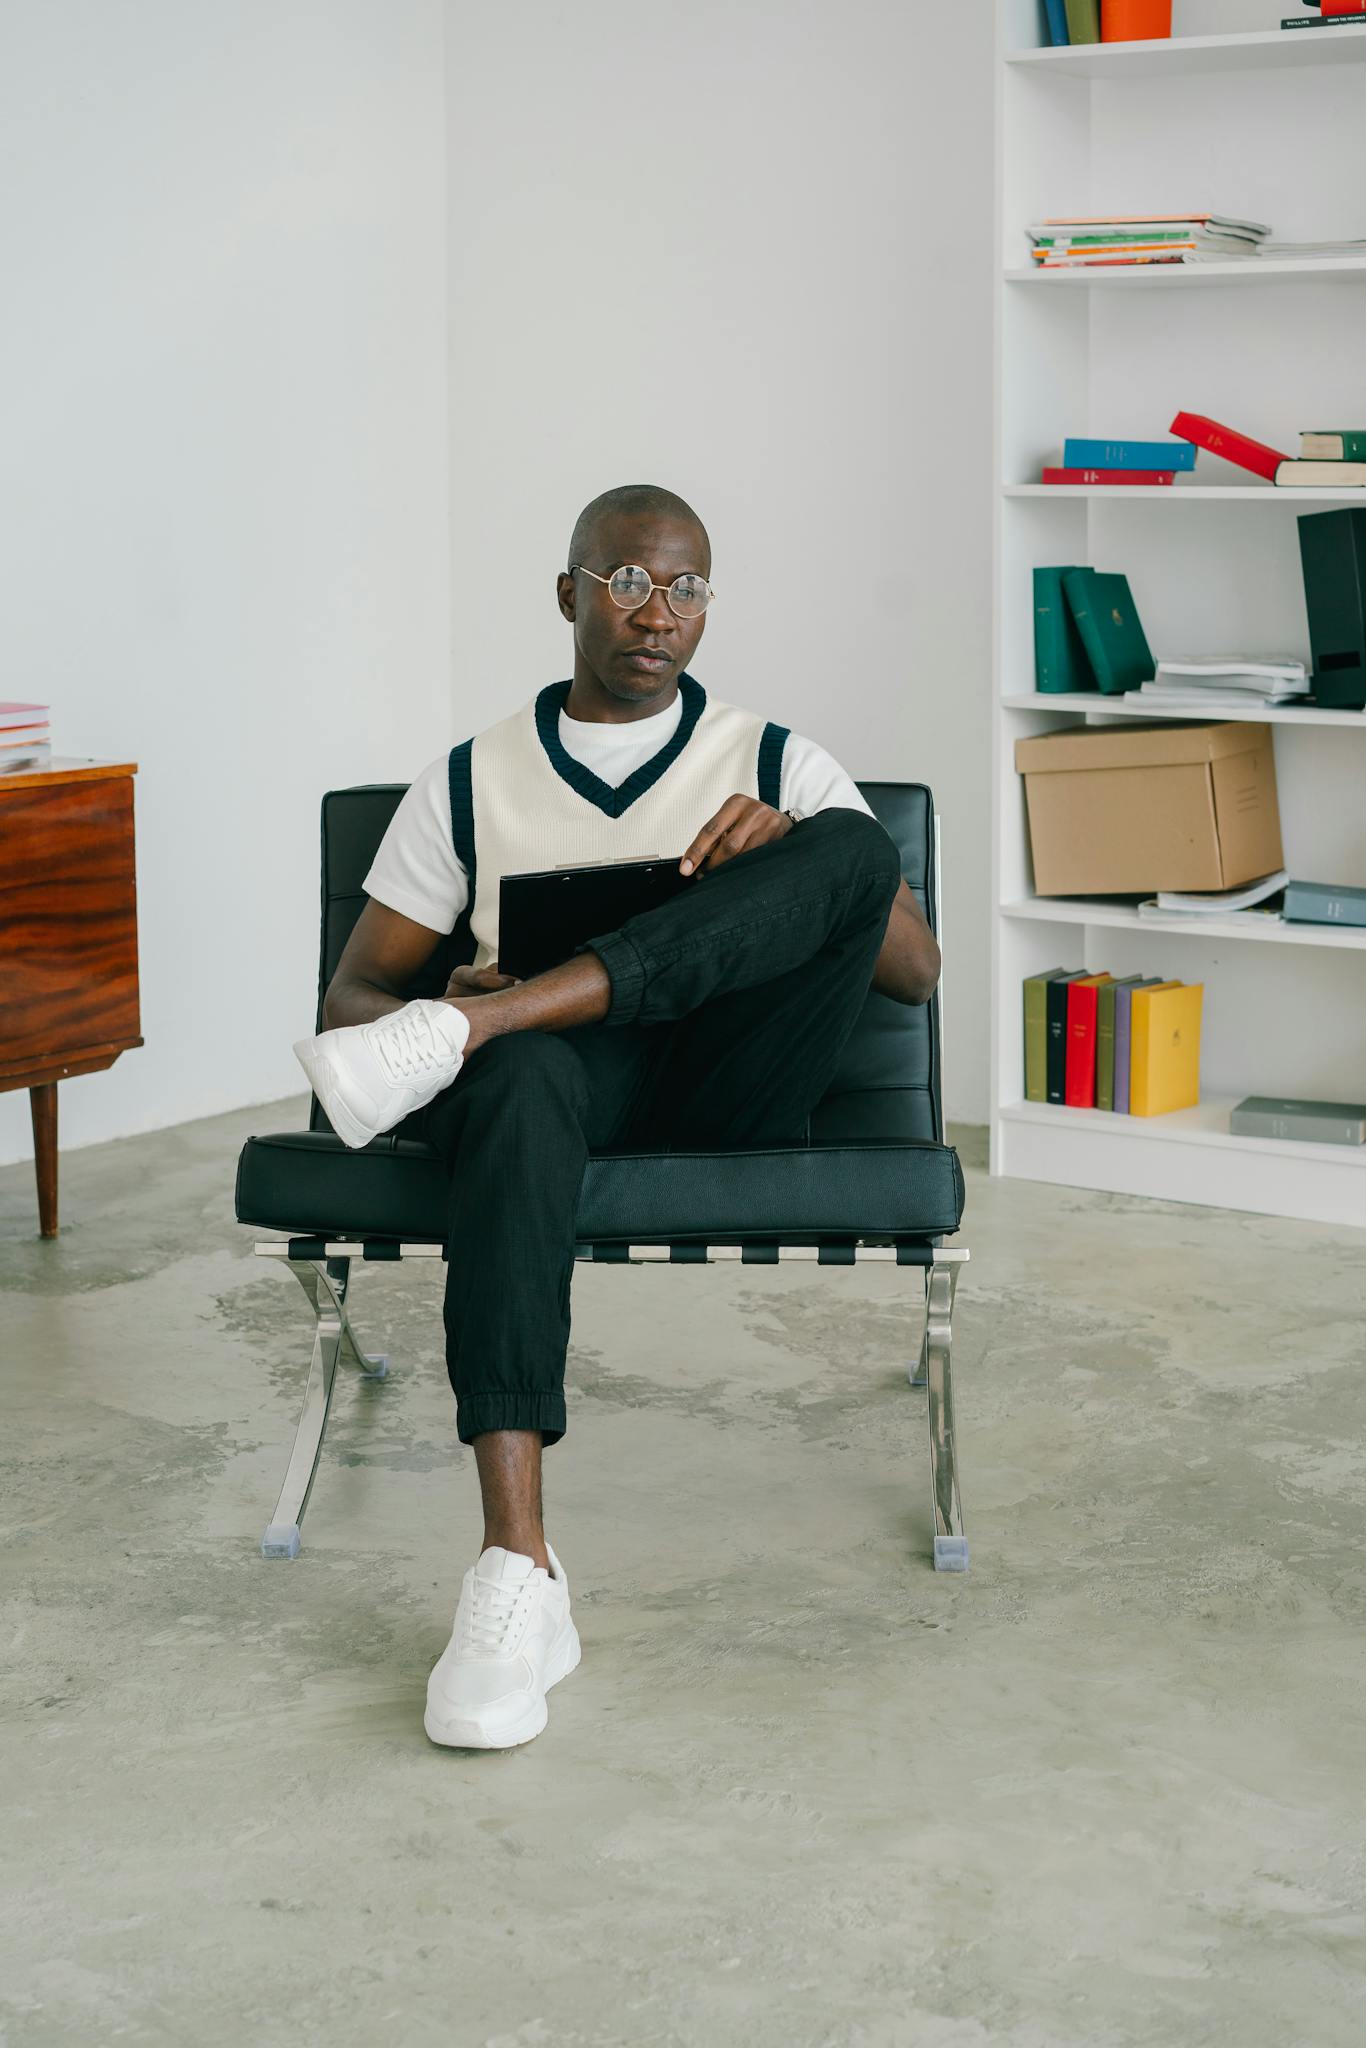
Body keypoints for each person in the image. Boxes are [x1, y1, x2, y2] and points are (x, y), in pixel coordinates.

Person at [294, 483, 940, 1752]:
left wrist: (784, 851)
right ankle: (515, 1571)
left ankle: (505, 1016)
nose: (658, 613)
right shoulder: (471, 780)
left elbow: (912, 965)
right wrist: (441, 992)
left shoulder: (770, 756)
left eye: (686, 587)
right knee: (523, 1075)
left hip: (734, 1080)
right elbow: (355, 994)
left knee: (849, 846)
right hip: (557, 1087)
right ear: (568, 593)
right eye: (627, 581)